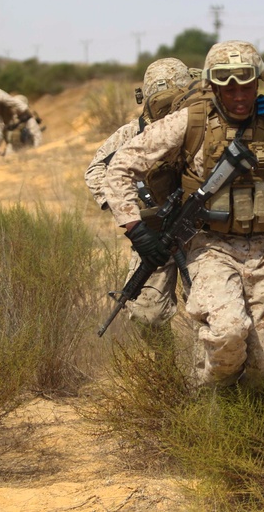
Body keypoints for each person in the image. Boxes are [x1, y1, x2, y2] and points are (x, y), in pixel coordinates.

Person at [102, 41, 264, 386]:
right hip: (210, 247)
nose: (237, 94)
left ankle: (248, 421)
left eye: (245, 82)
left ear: (259, 81)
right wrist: (136, 229)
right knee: (228, 333)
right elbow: (119, 168)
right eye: (226, 84)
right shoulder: (190, 121)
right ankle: (206, 401)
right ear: (212, 83)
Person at [85, 58, 194, 339]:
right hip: (153, 236)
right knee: (146, 313)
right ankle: (164, 374)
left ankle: (207, 373)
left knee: (208, 307)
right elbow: (96, 171)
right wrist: (126, 208)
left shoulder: (199, 126)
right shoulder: (132, 133)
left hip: (199, 233)